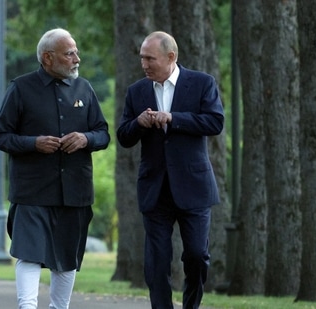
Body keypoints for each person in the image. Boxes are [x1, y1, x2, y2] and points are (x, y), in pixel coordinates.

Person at [0, 28, 110, 309]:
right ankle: (27, 306)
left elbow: (103, 133)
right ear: (48, 58)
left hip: (75, 191)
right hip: (32, 190)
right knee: (29, 253)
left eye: (76, 52)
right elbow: (1, 137)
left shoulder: (85, 89)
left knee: (67, 257)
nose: (76, 58)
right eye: (69, 53)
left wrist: (85, 138)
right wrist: (34, 143)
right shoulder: (20, 88)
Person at [116, 31, 225, 309]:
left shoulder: (202, 83)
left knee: (197, 257)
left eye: (150, 58)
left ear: (170, 57)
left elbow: (214, 122)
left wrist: (174, 118)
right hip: (155, 189)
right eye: (142, 58)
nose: (144, 64)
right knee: (157, 262)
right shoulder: (137, 91)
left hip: (194, 187)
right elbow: (123, 137)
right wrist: (139, 123)